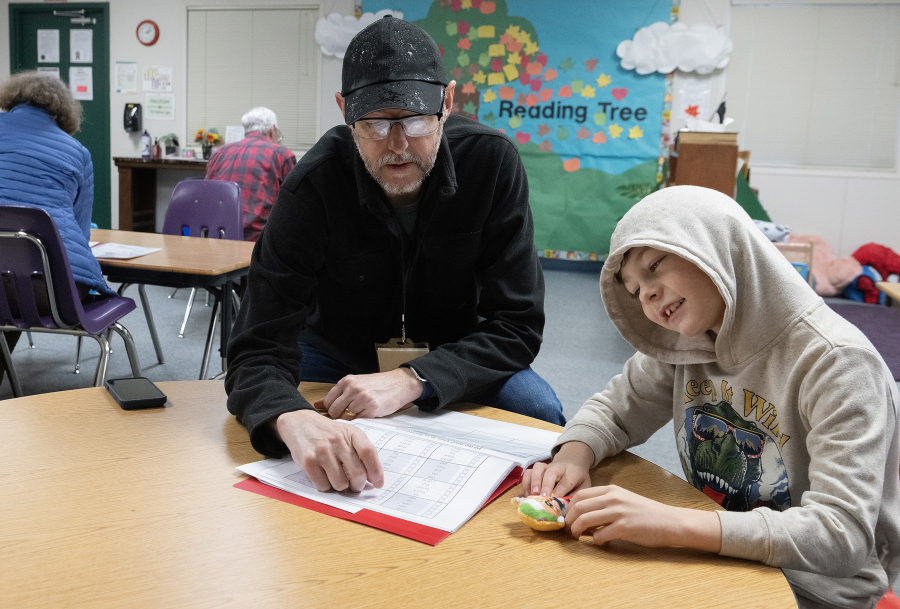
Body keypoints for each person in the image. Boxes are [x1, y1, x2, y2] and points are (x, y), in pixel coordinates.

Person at [225, 16, 564, 494]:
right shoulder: (312, 185)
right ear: (344, 110)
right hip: (335, 352)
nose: (398, 145)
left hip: (457, 350)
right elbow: (255, 348)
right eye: (375, 123)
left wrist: (414, 378)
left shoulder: (491, 163)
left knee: (540, 415)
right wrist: (290, 418)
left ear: (447, 102)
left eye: (416, 119)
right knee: (282, 429)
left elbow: (518, 325)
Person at [525, 185, 900, 608]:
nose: (646, 293)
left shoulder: (839, 363)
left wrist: (670, 523)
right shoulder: (688, 341)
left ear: (716, 247)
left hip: (815, 591)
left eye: (656, 265)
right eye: (633, 290)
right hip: (721, 558)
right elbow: (616, 409)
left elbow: (840, 535)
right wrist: (574, 454)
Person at [0, 71, 116, 386]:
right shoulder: (77, 152)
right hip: (51, 292)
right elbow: (79, 230)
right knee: (19, 295)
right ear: (62, 111)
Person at [204, 106, 296, 241]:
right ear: (272, 129)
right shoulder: (282, 155)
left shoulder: (219, 152)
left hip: (218, 239)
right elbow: (294, 207)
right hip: (259, 244)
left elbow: (206, 197)